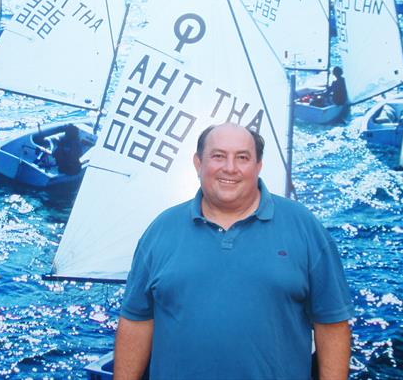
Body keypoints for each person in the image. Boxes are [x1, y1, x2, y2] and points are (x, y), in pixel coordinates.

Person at [114, 123, 353, 380]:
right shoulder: (161, 230)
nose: (230, 167)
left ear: (258, 165)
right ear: (198, 163)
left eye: (242, 157)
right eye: (218, 156)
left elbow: (332, 325)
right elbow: (137, 321)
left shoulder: (305, 227)